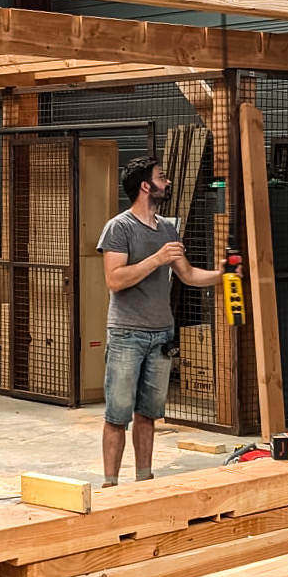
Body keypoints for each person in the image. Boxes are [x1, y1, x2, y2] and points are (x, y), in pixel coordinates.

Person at [96, 157, 220, 486]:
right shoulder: (119, 227)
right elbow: (115, 280)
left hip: (161, 335)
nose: (167, 182)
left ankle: (145, 481)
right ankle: (110, 485)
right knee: (117, 415)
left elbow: (188, 275)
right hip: (127, 335)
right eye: (161, 177)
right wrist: (157, 258)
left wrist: (223, 275)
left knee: (148, 414)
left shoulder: (167, 228)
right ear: (145, 186)